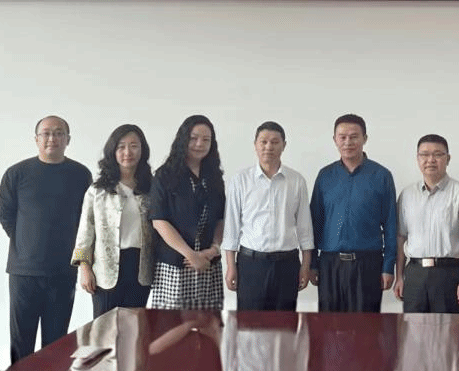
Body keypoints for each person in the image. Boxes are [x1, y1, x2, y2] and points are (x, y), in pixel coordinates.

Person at [0, 115, 92, 365]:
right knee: (21, 342)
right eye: (46, 133)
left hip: (63, 271)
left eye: (59, 133)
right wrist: (25, 240)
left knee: (56, 343)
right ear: (36, 139)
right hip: (24, 272)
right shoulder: (17, 173)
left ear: (68, 139)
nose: (52, 138)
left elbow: (86, 222)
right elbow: (5, 213)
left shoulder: (81, 175)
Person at [310, 113, 398, 312]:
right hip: (330, 264)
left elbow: (391, 224)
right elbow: (315, 223)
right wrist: (312, 264)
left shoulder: (381, 176)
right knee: (329, 325)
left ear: (364, 139)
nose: (348, 142)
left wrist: (388, 266)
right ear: (335, 140)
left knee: (366, 326)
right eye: (342, 137)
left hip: (368, 264)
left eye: (354, 136)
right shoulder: (325, 176)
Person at [223, 121, 315, 311]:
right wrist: (231, 266)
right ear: (255, 145)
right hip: (250, 264)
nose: (268, 147)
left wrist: (305, 266)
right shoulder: (240, 180)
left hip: (287, 264)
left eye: (274, 142)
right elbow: (231, 228)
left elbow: (305, 228)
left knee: (285, 323)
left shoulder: (296, 181)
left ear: (284, 145)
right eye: (263, 142)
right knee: (249, 324)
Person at [72, 124, 155, 318]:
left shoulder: (151, 189)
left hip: (140, 268)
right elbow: (85, 233)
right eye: (121, 146)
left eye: (134, 146)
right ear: (113, 151)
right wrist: (85, 269)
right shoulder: (97, 190)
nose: (128, 152)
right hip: (105, 270)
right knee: (104, 330)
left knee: (134, 327)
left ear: (142, 150)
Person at [394, 134, 459, 314]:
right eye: (424, 155)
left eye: (437, 154)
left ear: (448, 159)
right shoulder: (407, 195)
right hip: (415, 274)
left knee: (450, 329)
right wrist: (399, 277)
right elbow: (401, 237)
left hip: (449, 274)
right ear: (417, 159)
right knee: (414, 328)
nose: (430, 160)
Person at [149, 115, 226, 310]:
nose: (200, 144)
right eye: (193, 138)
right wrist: (191, 255)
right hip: (176, 265)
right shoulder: (164, 175)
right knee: (172, 325)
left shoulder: (214, 177)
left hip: (208, 264)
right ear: (183, 139)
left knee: (208, 323)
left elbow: (220, 219)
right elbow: (159, 221)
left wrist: (214, 249)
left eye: (206, 139)